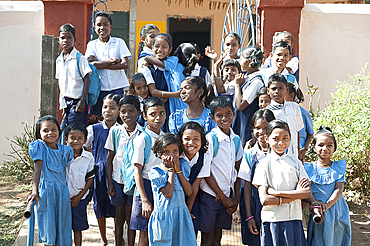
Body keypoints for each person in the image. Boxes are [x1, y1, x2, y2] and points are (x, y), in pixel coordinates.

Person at [252, 119, 312, 246]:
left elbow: (306, 193)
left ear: (291, 139)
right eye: (275, 138)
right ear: (267, 139)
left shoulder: (296, 163)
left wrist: (277, 193)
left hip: (294, 218)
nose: (281, 142)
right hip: (273, 220)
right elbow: (265, 199)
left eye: (285, 138)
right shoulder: (263, 164)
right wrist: (296, 194)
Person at [199, 96, 243, 246]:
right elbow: (206, 172)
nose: (224, 118)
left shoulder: (236, 140)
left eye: (228, 114)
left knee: (218, 235)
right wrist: (222, 197)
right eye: (219, 115)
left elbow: (237, 172)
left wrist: (235, 198)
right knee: (207, 236)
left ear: (234, 114)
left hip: (227, 196)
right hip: (211, 196)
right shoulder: (211, 139)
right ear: (212, 117)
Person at [27, 115, 74, 246]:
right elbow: (38, 169)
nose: (50, 133)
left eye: (54, 129)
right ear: (39, 133)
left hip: (62, 191)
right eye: (45, 130)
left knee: (63, 226)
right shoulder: (40, 147)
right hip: (47, 191)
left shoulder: (66, 150)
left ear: (59, 131)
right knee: (49, 227)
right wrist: (34, 191)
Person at [105, 95, 142, 246]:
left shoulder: (142, 133)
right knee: (119, 218)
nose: (127, 115)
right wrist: (110, 183)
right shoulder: (115, 132)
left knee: (131, 217)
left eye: (131, 111)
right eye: (123, 111)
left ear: (139, 113)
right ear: (119, 113)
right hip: (118, 181)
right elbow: (109, 158)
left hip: (134, 182)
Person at [304, 127, 351, 246]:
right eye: (320, 145)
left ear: (334, 148)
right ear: (313, 147)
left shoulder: (338, 167)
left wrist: (327, 205)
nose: (325, 148)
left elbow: (339, 189)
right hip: (316, 210)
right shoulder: (308, 168)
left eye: (329, 145)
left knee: (337, 238)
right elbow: (306, 190)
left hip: (337, 210)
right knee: (318, 240)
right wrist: (315, 203)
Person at [84, 94, 121, 245]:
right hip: (99, 172)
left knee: (117, 206)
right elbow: (84, 146)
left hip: (117, 172)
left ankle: (117, 234)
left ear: (119, 110)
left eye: (113, 108)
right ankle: (103, 239)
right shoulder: (93, 129)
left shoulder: (122, 130)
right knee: (99, 205)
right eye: (105, 107)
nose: (108, 111)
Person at [148, 133, 197, 245]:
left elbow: (189, 192)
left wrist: (178, 171)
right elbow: (168, 194)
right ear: (159, 153)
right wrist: (171, 170)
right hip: (164, 218)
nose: (171, 155)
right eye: (166, 152)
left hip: (181, 216)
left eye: (175, 151)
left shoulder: (183, 165)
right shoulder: (155, 172)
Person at [130, 97, 166, 246]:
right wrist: (144, 200)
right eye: (153, 114)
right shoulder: (142, 139)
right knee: (144, 233)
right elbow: (137, 171)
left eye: (161, 113)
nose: (158, 118)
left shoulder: (165, 137)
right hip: (145, 188)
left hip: (162, 187)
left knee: (160, 231)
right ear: (144, 116)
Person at [238, 109, 275, 246]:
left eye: (266, 128)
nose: (262, 132)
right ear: (252, 129)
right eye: (257, 128)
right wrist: (249, 216)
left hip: (276, 204)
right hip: (255, 206)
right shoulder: (249, 154)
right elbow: (246, 187)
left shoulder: (282, 152)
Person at [85, 11, 131, 121]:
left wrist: (101, 64)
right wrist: (113, 61)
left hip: (118, 87)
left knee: (120, 118)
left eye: (105, 24)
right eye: (99, 25)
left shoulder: (119, 42)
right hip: (99, 88)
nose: (102, 27)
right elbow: (92, 65)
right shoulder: (92, 45)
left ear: (111, 27)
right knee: (98, 118)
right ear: (95, 27)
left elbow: (125, 65)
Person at [139, 33, 185, 132]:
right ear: (152, 47)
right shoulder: (148, 68)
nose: (160, 49)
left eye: (164, 47)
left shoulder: (174, 64)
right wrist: (176, 94)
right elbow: (154, 92)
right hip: (155, 108)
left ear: (170, 49)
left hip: (171, 107)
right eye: (157, 46)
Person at [177, 121, 212, 233]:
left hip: (192, 200)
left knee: (191, 232)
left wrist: (187, 210)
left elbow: (195, 186)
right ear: (181, 140)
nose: (191, 143)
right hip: (174, 199)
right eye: (187, 139)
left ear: (202, 141)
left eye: (196, 139)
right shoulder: (176, 155)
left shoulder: (204, 158)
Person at [65, 123, 95, 246]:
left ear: (85, 140)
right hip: (63, 198)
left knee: (78, 228)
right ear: (66, 139)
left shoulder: (88, 157)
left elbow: (90, 179)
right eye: (72, 138)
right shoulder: (62, 155)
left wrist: (79, 197)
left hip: (79, 199)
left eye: (80, 138)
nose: (76, 141)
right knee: (63, 227)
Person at [56, 24, 91, 127]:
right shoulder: (59, 60)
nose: (65, 40)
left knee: (75, 130)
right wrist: (62, 104)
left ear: (74, 39)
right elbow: (61, 83)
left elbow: (87, 79)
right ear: (58, 39)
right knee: (67, 131)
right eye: (62, 38)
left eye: (69, 37)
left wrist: (82, 100)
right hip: (66, 102)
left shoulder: (80, 58)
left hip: (77, 101)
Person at [233, 46, 265, 147]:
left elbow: (241, 105)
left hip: (246, 125)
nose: (239, 62)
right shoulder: (247, 78)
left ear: (250, 61)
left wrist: (237, 85)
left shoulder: (256, 82)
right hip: (240, 122)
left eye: (242, 59)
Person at [266, 74, 304, 158]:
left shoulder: (294, 107)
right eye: (273, 89)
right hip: (278, 155)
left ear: (286, 89)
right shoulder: (267, 112)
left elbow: (297, 131)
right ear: (268, 91)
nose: (277, 91)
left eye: (281, 88)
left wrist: (297, 154)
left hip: (294, 154)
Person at [285, 82, 314, 161]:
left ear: (292, 95)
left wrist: (304, 148)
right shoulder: (281, 111)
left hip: (299, 150)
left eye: (284, 92)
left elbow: (310, 133)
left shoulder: (303, 113)